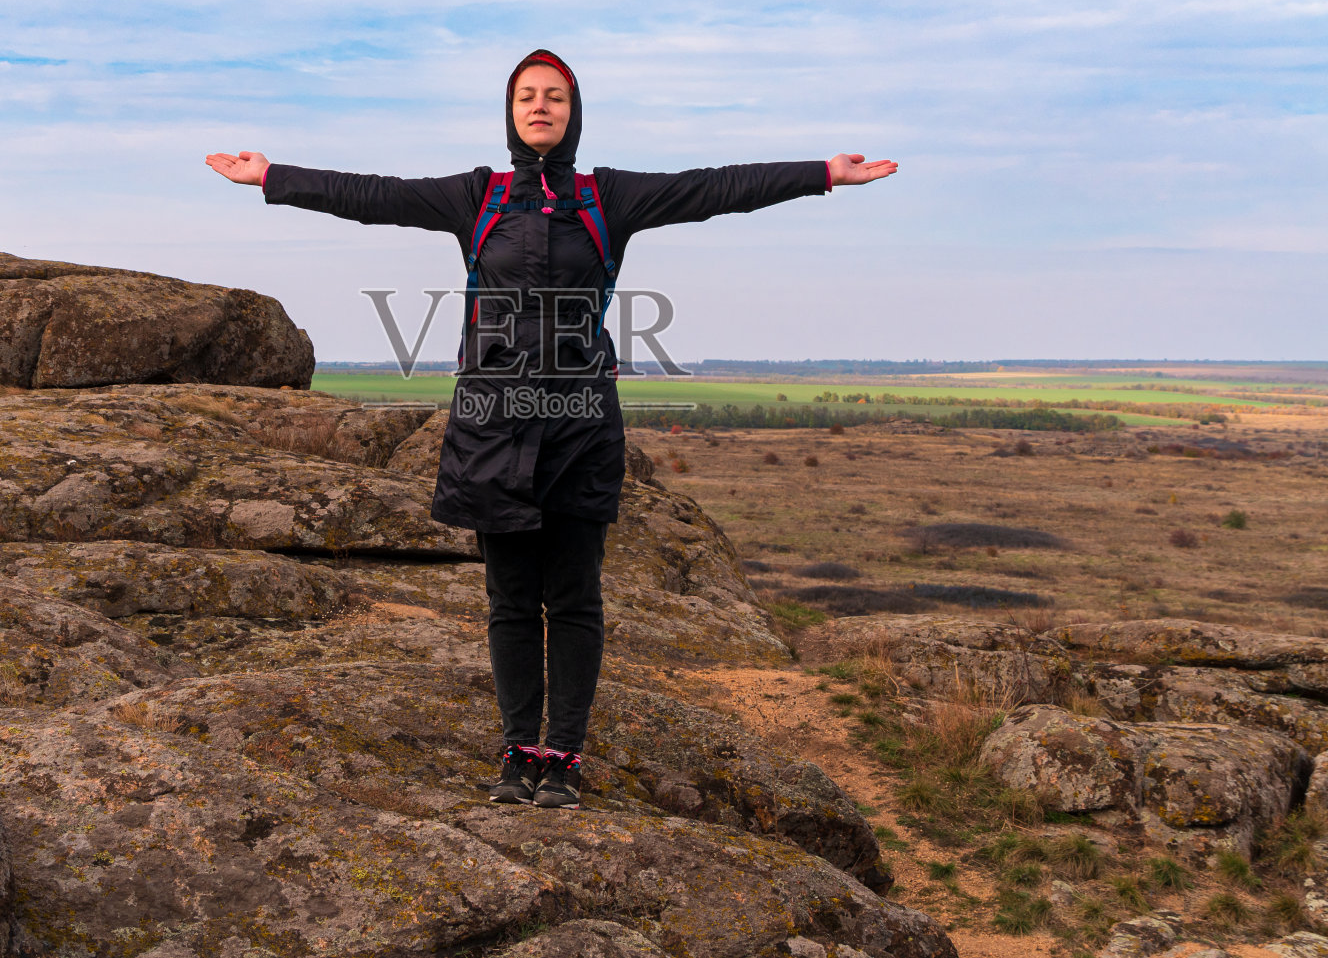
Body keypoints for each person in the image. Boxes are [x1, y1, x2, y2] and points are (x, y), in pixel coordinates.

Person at [206, 49, 896, 810]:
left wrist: (822, 173)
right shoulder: (478, 195)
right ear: (510, 111)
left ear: (574, 112)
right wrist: (272, 177)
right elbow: (374, 195)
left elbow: (714, 188)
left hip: (579, 427)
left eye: (556, 97)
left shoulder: (610, 198)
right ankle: (515, 752)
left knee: (571, 597)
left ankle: (562, 755)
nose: (541, 107)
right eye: (528, 96)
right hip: (491, 425)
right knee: (508, 598)